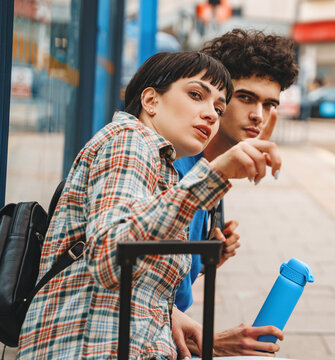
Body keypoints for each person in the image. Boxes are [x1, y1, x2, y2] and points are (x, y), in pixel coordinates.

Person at [16, 51, 281, 360]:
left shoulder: (163, 168)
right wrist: (214, 175)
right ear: (151, 100)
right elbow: (111, 257)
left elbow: (139, 289)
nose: (211, 114)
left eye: (218, 108)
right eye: (197, 95)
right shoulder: (129, 140)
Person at [172, 29, 298, 358]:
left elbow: (166, 278)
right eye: (246, 98)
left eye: (270, 104)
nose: (259, 113)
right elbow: (120, 274)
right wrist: (211, 342)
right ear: (219, 97)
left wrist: (205, 258)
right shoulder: (175, 163)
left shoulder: (212, 169)